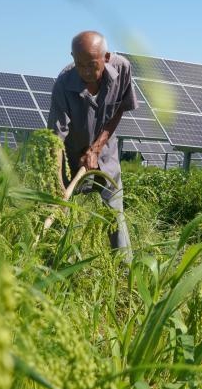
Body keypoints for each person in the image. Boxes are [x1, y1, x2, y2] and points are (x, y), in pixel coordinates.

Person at [47, 30, 136, 256]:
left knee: (115, 212)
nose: (86, 71)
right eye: (80, 64)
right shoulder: (63, 84)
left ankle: (125, 273)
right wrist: (58, 181)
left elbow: (119, 109)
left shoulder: (123, 69)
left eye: (92, 65)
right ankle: (52, 264)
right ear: (72, 57)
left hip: (105, 151)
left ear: (105, 58)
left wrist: (96, 148)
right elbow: (56, 138)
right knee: (59, 208)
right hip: (69, 155)